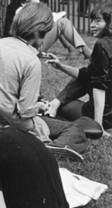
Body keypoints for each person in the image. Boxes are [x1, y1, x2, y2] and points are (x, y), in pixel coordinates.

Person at [0, 2, 90, 161]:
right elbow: (25, 116)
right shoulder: (30, 61)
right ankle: (45, 148)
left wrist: (37, 106)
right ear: (41, 32)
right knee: (75, 130)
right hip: (5, 128)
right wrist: (39, 127)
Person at [47, 5, 112, 135]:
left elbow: (99, 87)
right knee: (87, 75)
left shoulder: (102, 45)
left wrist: (98, 125)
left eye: (98, 21)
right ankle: (55, 102)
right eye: (91, 21)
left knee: (65, 107)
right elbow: (86, 75)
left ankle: (55, 103)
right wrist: (60, 66)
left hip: (106, 116)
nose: (92, 25)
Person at [13, 0, 91, 58]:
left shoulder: (32, 5)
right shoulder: (19, 9)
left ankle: (77, 49)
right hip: (31, 47)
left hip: (34, 43)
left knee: (61, 22)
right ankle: (85, 51)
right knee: (62, 22)